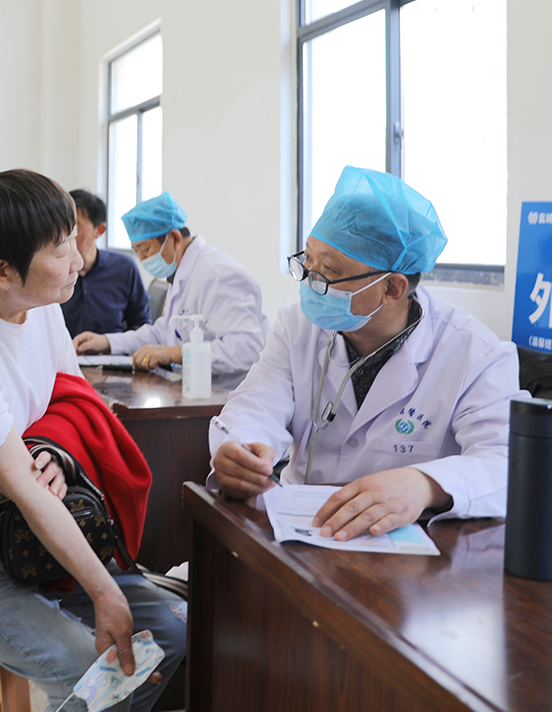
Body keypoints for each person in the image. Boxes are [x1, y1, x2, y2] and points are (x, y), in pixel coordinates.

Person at [0, 170, 186, 712]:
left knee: (172, 633)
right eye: (60, 248)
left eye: (74, 239)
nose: (78, 260)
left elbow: (68, 398)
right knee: (94, 672)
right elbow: (22, 485)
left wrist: (50, 448)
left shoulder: (42, 306)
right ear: (3, 271)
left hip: (34, 529)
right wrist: (103, 591)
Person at [211, 166, 528, 541]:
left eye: (328, 271)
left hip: (404, 550)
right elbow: (255, 404)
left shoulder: (474, 354)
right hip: (298, 529)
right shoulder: (297, 327)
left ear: (392, 288)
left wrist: (426, 484)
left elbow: (509, 463)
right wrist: (241, 449)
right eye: (308, 261)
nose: (310, 281)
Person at [74, 191, 267, 378]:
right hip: (195, 386)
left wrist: (173, 354)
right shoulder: (182, 272)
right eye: (137, 251)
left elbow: (247, 348)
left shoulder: (217, 274)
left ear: (174, 238)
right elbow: (164, 333)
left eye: (145, 249)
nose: (142, 259)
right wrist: (107, 342)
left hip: (229, 392)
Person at [59, 189, 150, 337]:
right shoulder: (53, 271)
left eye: (75, 227)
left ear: (99, 230)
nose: (66, 234)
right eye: (62, 226)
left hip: (112, 350)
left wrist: (110, 343)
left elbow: (141, 324)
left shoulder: (124, 268)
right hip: (61, 350)